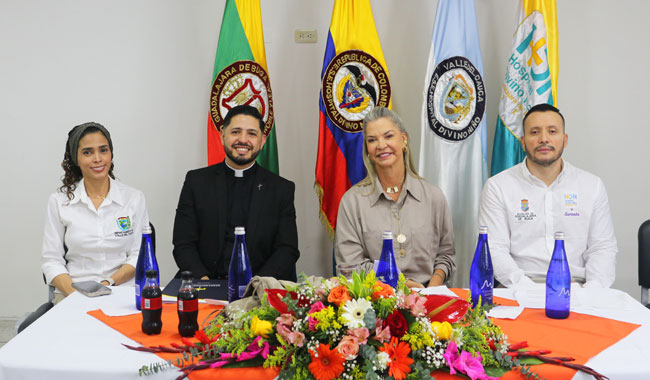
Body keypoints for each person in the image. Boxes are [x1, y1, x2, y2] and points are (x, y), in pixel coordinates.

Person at [479, 103, 617, 288]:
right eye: (534, 132)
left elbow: (602, 248)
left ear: (565, 139)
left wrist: (591, 291)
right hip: (517, 290)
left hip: (578, 288)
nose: (544, 139)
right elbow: (494, 249)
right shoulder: (498, 187)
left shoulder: (592, 186)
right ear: (523, 141)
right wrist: (527, 289)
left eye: (552, 131)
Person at [172, 105, 299, 281]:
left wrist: (257, 285)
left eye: (251, 134)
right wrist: (203, 280)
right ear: (222, 135)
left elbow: (287, 249)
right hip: (205, 283)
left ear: (262, 140)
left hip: (258, 289)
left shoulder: (281, 189)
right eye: (236, 132)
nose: (243, 140)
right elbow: (183, 243)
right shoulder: (196, 182)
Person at [335, 107, 455, 288]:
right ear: (367, 149)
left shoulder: (433, 196)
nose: (381, 145)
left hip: (428, 297)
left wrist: (432, 287)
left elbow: (446, 255)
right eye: (372, 140)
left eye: (388, 136)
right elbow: (349, 266)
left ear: (404, 140)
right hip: (374, 301)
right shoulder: (352, 202)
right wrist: (401, 285)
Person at [42, 122, 150, 303]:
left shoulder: (134, 198)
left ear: (111, 154)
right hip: (73, 292)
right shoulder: (59, 202)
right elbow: (51, 260)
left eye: (103, 150)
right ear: (75, 158)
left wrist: (108, 283)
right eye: (87, 152)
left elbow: (139, 255)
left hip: (123, 291)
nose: (97, 158)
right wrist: (76, 295)